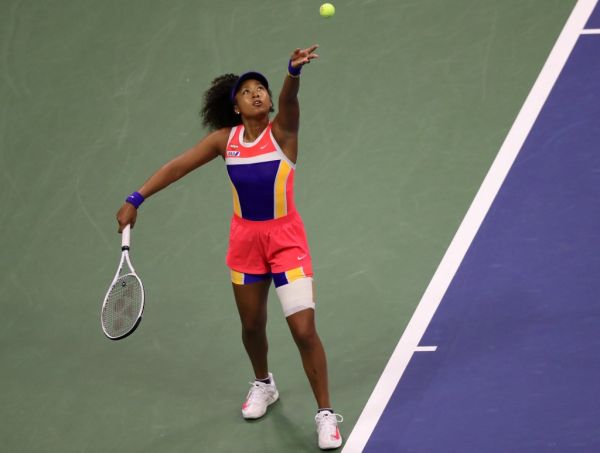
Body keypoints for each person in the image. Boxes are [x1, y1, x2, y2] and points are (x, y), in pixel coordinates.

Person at [115, 45, 343, 450]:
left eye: (262, 89)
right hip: (245, 244)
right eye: (247, 91)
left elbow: (290, 100)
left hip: (286, 241)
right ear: (235, 106)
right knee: (252, 325)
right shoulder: (226, 141)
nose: (257, 93)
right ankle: (264, 384)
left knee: (303, 329)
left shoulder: (283, 133)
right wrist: (136, 199)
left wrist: (292, 73)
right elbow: (177, 167)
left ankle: (325, 412)